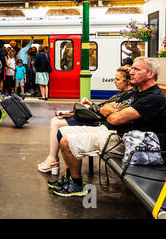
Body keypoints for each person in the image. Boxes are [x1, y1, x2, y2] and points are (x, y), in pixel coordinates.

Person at [50, 57, 166, 197]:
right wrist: (118, 114)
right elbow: (106, 110)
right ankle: (70, 178)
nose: (131, 72)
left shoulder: (153, 97)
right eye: (132, 68)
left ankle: (76, 184)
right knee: (62, 132)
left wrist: (116, 113)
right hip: (114, 132)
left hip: (130, 144)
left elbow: (114, 118)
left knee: (66, 141)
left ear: (150, 74)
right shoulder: (137, 92)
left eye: (137, 69)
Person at [37, 66, 135, 174]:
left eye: (117, 79)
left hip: (98, 123)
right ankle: (52, 159)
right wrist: (91, 104)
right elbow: (105, 108)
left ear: (128, 81)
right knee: (56, 121)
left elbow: (107, 112)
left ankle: (53, 160)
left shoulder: (128, 96)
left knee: (56, 123)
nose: (114, 82)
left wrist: (93, 107)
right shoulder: (123, 93)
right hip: (97, 119)